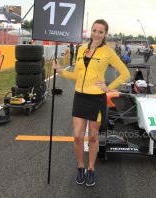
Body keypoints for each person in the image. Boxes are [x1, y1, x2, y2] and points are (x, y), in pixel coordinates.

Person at [52, 19, 130, 187]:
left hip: (97, 99)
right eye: (94, 30)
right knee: (78, 136)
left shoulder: (108, 52)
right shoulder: (81, 49)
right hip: (80, 97)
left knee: (93, 137)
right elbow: (78, 75)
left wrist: (109, 87)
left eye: (100, 32)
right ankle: (81, 167)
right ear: (91, 32)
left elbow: (125, 73)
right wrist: (61, 72)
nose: (96, 34)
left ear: (105, 34)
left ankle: (91, 168)